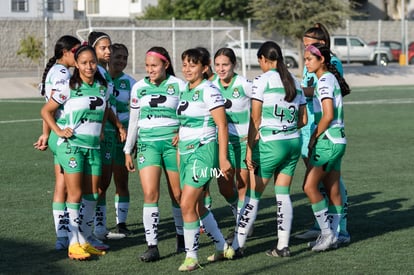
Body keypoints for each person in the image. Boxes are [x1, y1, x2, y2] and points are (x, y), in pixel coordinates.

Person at [225, 41, 307, 259]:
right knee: (283, 194)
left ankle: (238, 245)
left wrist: (250, 148)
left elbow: (255, 118)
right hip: (293, 143)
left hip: (271, 144)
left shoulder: (262, 80)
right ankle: (283, 246)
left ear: (263, 59)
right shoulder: (295, 81)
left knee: (253, 196)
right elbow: (304, 119)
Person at [40, 45, 110, 260]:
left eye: (92, 62)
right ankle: (73, 242)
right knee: (75, 193)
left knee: (93, 193)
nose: (89, 66)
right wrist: (59, 130)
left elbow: (106, 107)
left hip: (92, 147)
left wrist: (100, 131)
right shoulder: (68, 86)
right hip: (70, 145)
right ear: (77, 65)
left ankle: (84, 238)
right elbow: (46, 110)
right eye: (84, 62)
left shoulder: (103, 86)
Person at [124, 46, 185, 262]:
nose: (150, 70)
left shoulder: (179, 85)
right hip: (147, 144)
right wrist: (127, 149)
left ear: (166, 65)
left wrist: (182, 131)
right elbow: (133, 121)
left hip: (173, 145)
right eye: (147, 66)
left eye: (154, 66)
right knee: (151, 194)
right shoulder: (138, 87)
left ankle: (181, 236)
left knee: (178, 194)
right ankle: (152, 245)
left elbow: (191, 114)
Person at [177, 48, 233, 271]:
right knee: (197, 205)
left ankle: (191, 256)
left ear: (204, 67)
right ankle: (221, 246)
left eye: (193, 64)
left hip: (203, 151)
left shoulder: (209, 90)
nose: (187, 69)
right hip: (185, 151)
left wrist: (223, 158)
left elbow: (222, 124)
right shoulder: (186, 90)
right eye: (185, 64)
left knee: (186, 204)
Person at [296, 23, 350, 245]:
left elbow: (327, 112)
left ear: (322, 51)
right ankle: (333, 231)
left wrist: (314, 137)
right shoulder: (320, 73)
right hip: (325, 133)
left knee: (313, 185)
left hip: (325, 135)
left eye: (310, 51)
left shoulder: (326, 74)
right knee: (328, 183)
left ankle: (331, 231)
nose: (306, 58)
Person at [34, 35, 81, 250]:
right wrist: (58, 132)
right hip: (65, 135)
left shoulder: (56, 71)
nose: (79, 55)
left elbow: (48, 108)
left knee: (61, 185)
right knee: (71, 188)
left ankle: (63, 236)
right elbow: (52, 109)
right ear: (66, 52)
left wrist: (46, 134)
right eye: (76, 51)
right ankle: (73, 236)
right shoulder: (62, 73)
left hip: (57, 135)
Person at [87, 31, 127, 241]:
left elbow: (107, 104)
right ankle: (86, 230)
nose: (108, 51)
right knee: (93, 184)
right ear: (93, 49)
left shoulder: (103, 72)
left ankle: (99, 229)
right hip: (95, 135)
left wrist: (118, 126)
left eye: (109, 47)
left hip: (108, 134)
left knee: (103, 183)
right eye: (104, 47)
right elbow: (101, 106)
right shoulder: (93, 72)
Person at [211, 47, 252, 236]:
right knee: (225, 187)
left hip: (243, 143)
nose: (221, 68)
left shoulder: (244, 84)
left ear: (233, 65)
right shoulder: (210, 86)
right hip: (221, 146)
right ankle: (237, 209)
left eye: (225, 64)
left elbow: (262, 103)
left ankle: (241, 225)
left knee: (243, 184)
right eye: (217, 65)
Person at [100, 43, 136, 235]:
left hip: (123, 137)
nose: (121, 61)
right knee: (101, 182)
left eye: (124, 58)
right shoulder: (100, 78)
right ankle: (101, 225)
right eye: (117, 56)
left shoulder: (130, 83)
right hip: (104, 134)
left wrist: (133, 138)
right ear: (108, 57)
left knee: (121, 181)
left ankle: (121, 224)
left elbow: (138, 111)